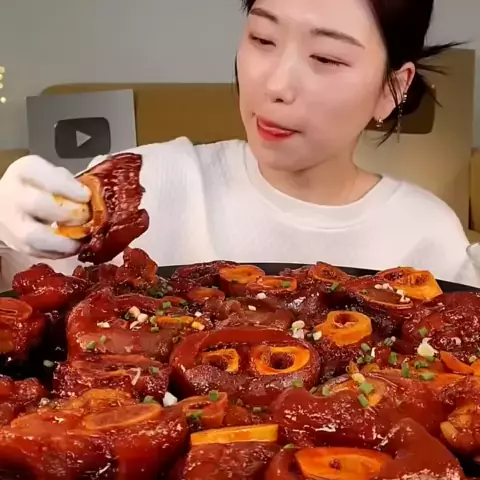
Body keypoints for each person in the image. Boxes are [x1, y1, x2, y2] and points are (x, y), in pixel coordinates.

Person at [0, 0, 477, 289]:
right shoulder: (146, 185)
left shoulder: (425, 232)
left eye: (326, 58)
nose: (276, 85)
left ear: (392, 89)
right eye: (263, 39)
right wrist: (4, 236)